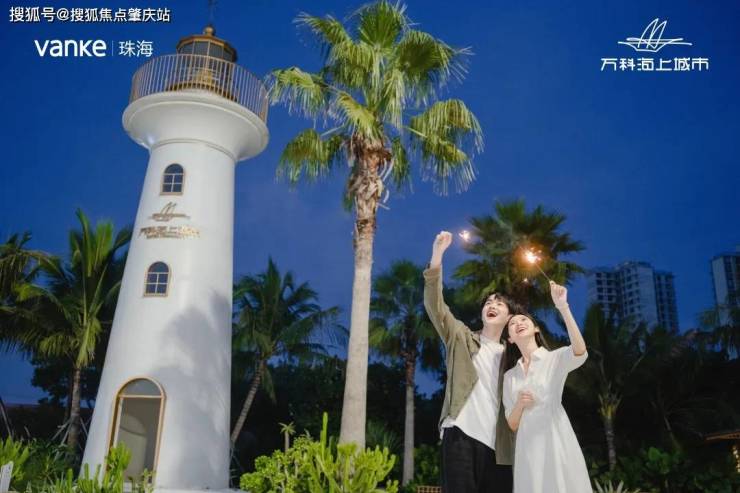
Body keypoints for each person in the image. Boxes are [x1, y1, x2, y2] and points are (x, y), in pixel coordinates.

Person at [423, 231, 515, 493]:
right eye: (488, 302)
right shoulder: (461, 337)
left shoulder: (513, 357)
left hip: (499, 448)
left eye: (499, 303)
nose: (492, 305)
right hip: (460, 434)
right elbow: (435, 307)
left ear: (509, 317)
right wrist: (437, 256)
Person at [502, 281, 592, 493]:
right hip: (527, 448)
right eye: (512, 324)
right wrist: (520, 405)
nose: (518, 323)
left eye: (524, 319)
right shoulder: (509, 376)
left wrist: (563, 307)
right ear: (510, 338)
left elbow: (580, 350)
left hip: (555, 438)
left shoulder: (554, 358)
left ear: (536, 328)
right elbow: (511, 423)